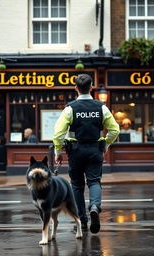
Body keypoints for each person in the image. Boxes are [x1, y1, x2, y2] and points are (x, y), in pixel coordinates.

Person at [53, 74, 120, 234]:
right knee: (94, 181)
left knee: (76, 185)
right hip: (95, 150)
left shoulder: (70, 108)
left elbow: (58, 135)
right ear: (91, 88)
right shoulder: (101, 107)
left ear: (76, 88)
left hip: (76, 151)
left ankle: (82, 221)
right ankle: (95, 206)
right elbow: (115, 129)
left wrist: (58, 151)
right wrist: (105, 144)